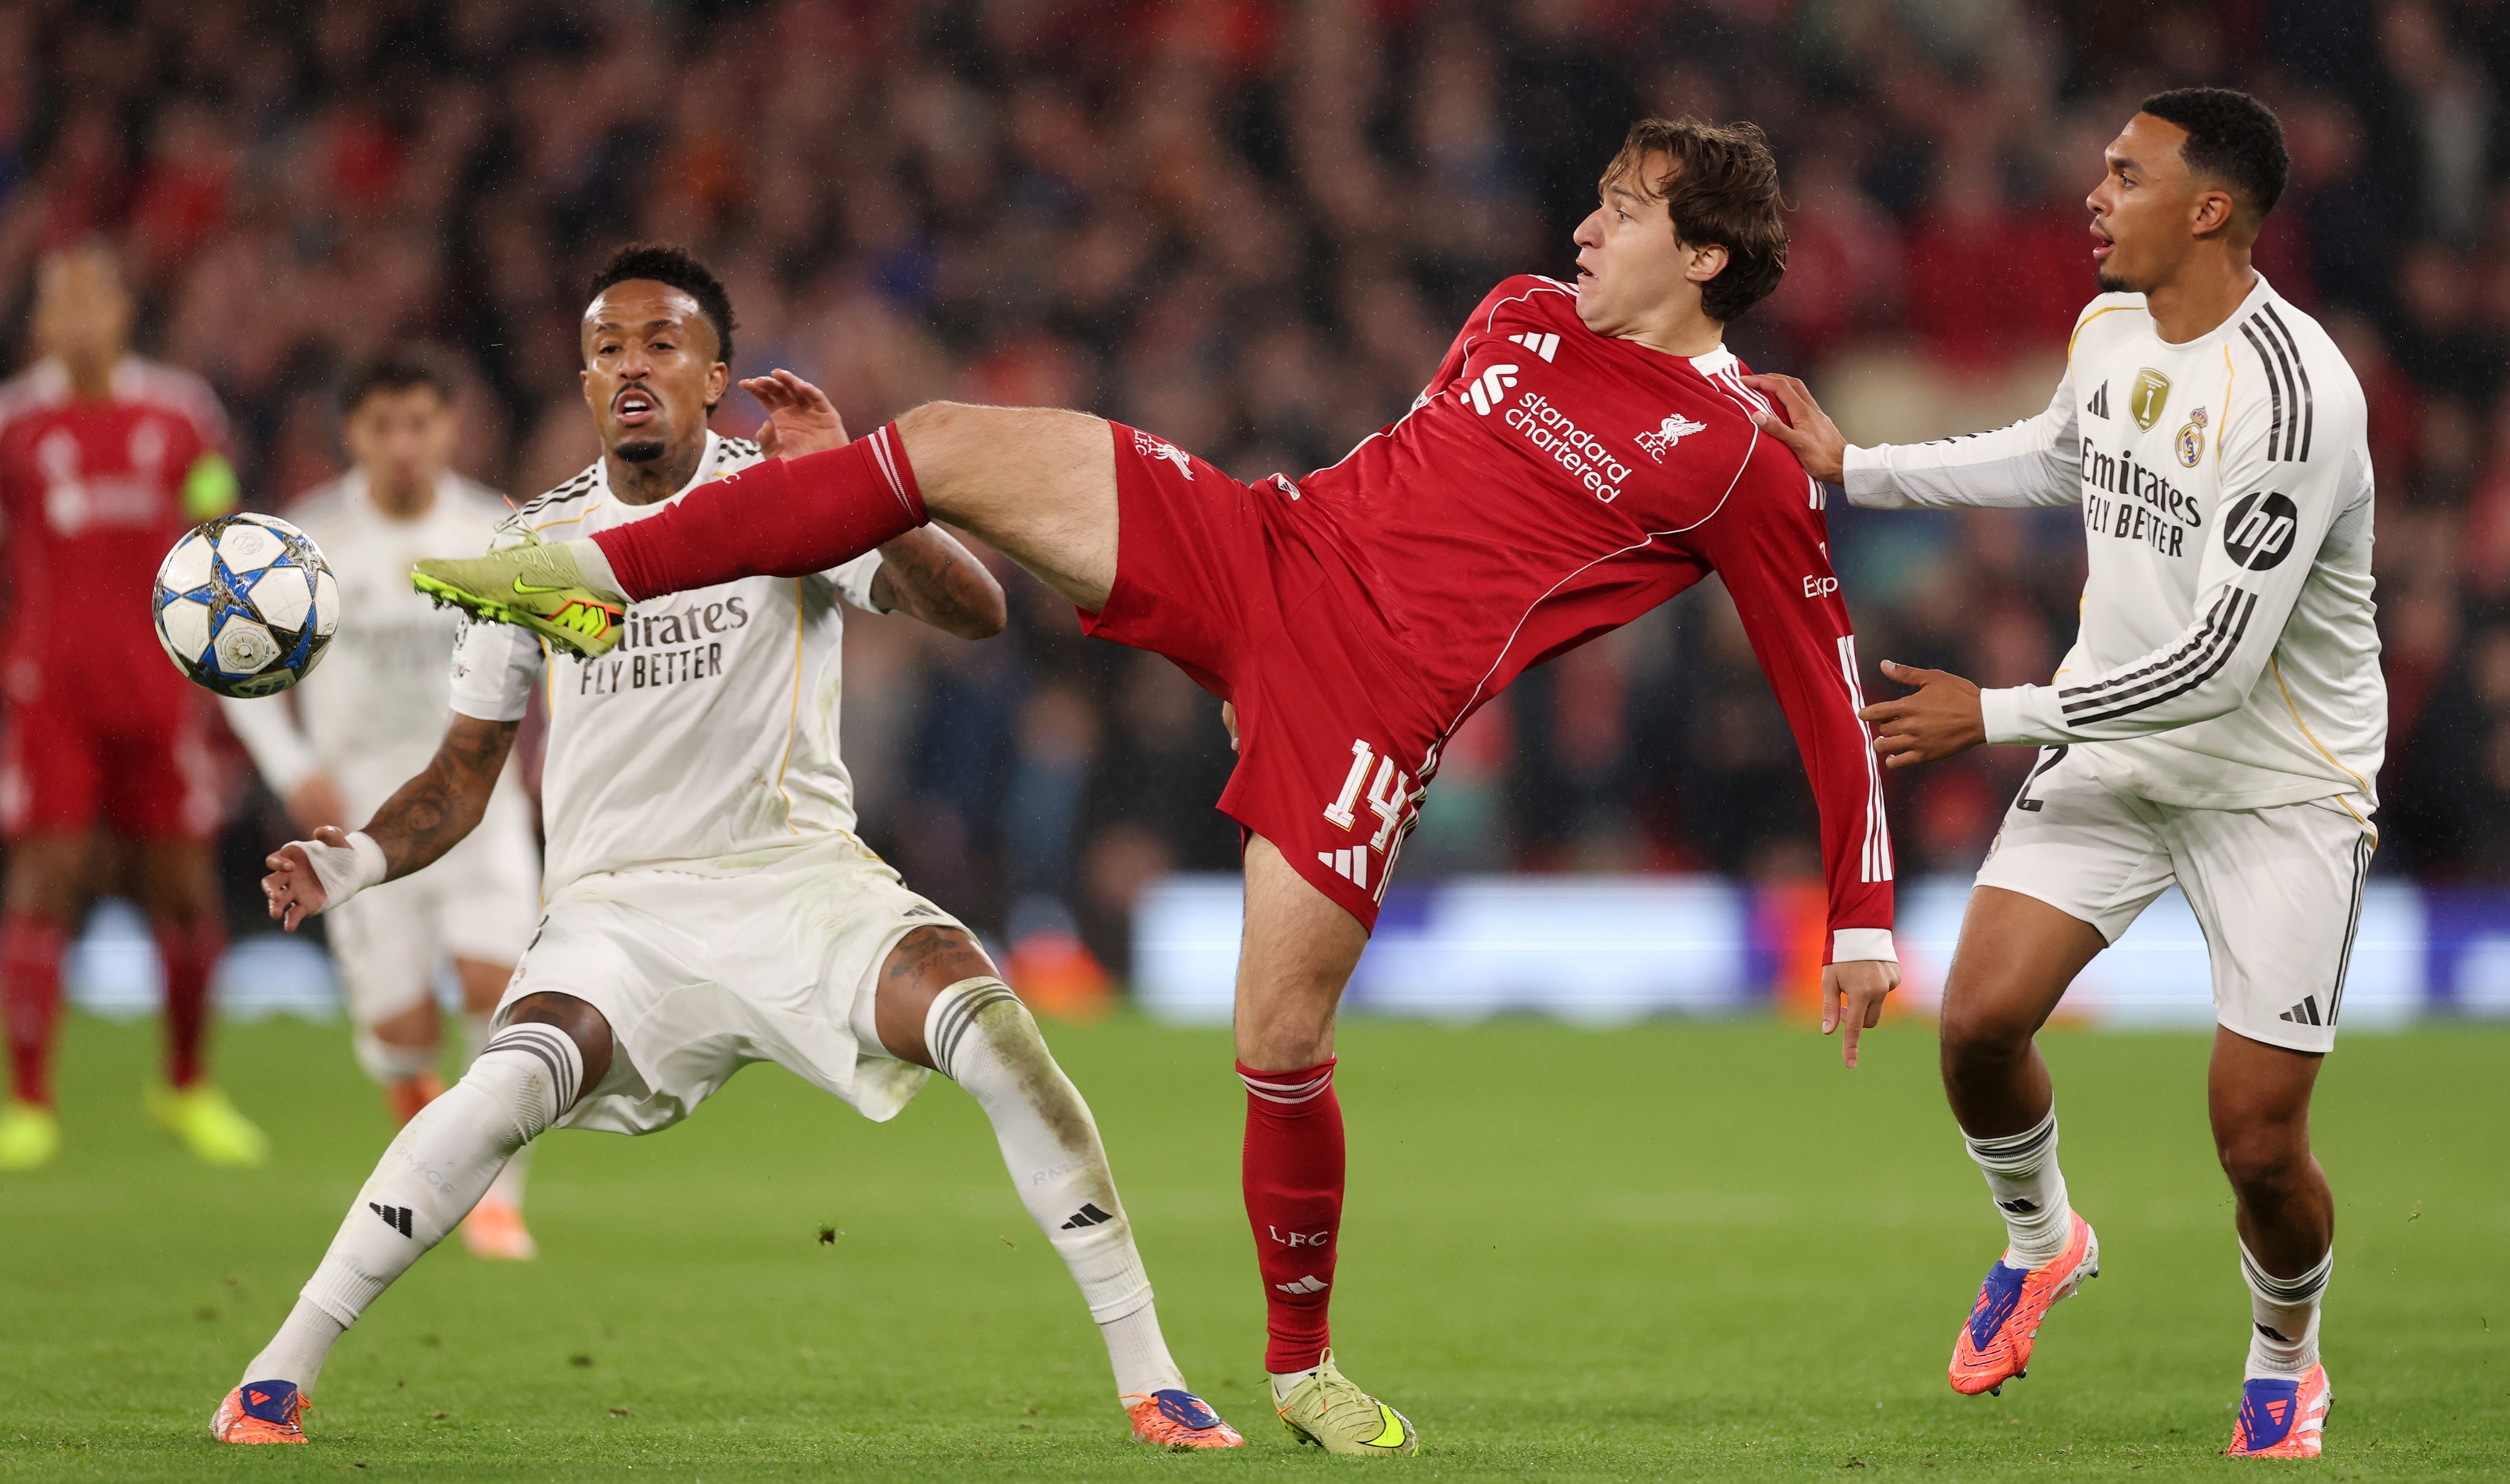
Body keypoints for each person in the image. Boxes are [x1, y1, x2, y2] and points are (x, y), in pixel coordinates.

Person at [415, 120, 1903, 1455]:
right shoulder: (1515, 313)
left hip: (1372, 703)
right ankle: (579, 567)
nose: (1582, 227)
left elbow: (1819, 676)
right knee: (931, 442)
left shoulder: (1732, 457)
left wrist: (1856, 913)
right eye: (1590, 198)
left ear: (1702, 254)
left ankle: (1301, 1367)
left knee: (1275, 1039)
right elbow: (1427, 478)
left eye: (1624, 209)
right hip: (1262, 546)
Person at [212, 244, 1243, 1451]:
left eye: (660, 344)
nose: (631, 368)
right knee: (498, 1085)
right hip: (620, 914)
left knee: (991, 1021)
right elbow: (459, 777)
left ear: (716, 376)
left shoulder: (795, 492)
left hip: (799, 883)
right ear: (587, 382)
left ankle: (1152, 1375)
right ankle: (278, 1370)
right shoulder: (532, 550)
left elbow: (978, 610)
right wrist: (356, 860)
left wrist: (868, 490)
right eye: (607, 350)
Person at [1748, 89, 2375, 1461]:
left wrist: (2002, 711)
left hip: (2275, 783)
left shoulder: (2289, 394)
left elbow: (2217, 656)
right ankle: (2042, 1238)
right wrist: (1857, 463)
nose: (2089, 193)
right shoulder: (2107, 327)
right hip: (2116, 745)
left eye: (2121, 173)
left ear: (2206, 206)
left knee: (2254, 1139)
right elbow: (2058, 449)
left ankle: (2284, 1352)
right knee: (1973, 1019)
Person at [222, 349, 544, 1259]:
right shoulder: (305, 548)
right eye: (382, 426)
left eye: (420, 423)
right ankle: (428, 1123)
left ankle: (495, 1198)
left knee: (500, 991)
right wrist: (290, 765)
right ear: (353, 434)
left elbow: (566, 646)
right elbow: (233, 668)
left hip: (477, 804)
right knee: (401, 1034)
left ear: (450, 426)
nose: (403, 444)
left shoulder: (496, 531)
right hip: (361, 824)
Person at [0, 240, 264, 1171]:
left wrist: (235, 660)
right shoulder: (5, 424)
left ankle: (186, 1086)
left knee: (182, 887)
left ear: (126, 313)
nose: (81, 319)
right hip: (49, 692)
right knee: (44, 880)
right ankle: (28, 1102)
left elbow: (222, 535)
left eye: (98, 300)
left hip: (164, 688)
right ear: (43, 321)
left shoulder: (182, 414)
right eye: (63, 303)